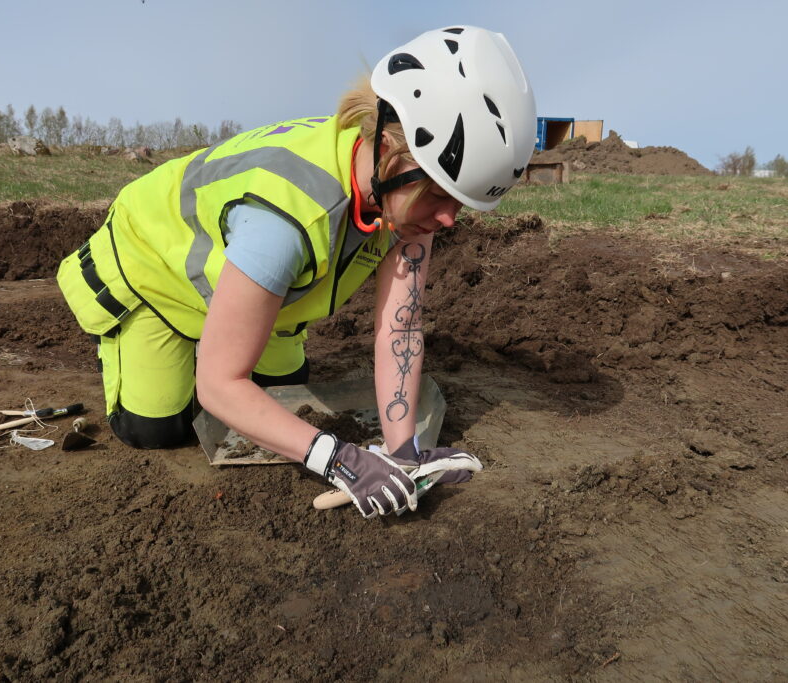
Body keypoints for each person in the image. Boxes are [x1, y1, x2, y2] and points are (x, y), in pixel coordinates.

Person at [56, 26, 536, 518]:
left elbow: (401, 325)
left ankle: (227, 328)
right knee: (158, 430)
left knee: (284, 398)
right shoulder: (283, 223)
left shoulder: (401, 190)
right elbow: (219, 385)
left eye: (459, 203)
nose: (448, 219)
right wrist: (341, 461)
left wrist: (404, 452)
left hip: (257, 278)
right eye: (439, 195)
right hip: (155, 272)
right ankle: (177, 344)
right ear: (390, 147)